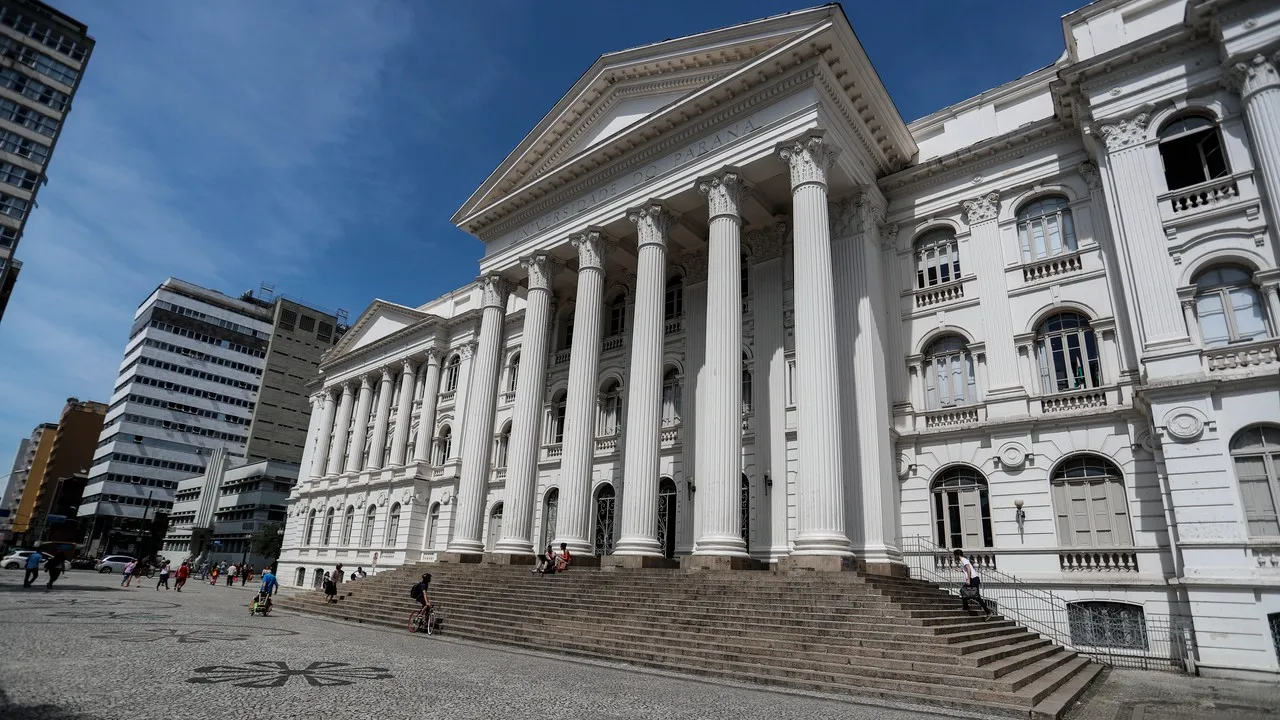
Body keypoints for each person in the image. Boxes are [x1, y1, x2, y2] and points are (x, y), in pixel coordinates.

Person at [954, 548, 992, 619]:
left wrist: (968, 579)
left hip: (973, 579)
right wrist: (959, 570)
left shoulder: (963, 560)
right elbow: (966, 569)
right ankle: (965, 607)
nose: (954, 557)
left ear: (957, 555)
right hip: (974, 578)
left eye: (955, 555)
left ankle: (988, 612)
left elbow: (968, 569)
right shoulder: (964, 560)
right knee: (964, 591)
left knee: (975, 596)